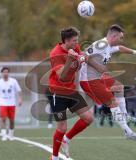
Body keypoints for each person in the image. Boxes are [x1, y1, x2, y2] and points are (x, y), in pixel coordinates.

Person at [79, 24, 136, 141]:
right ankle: (128, 132)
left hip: (98, 77)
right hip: (88, 80)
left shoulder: (109, 46)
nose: (121, 40)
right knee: (113, 103)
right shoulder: (101, 44)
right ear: (114, 36)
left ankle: (125, 115)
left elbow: (121, 48)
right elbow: (84, 54)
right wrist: (98, 67)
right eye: (120, 37)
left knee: (119, 86)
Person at [48, 27, 93, 160]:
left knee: (88, 118)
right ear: (66, 41)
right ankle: (54, 157)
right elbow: (62, 76)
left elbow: (79, 62)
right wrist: (69, 59)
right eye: (74, 40)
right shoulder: (55, 54)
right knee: (62, 127)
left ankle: (67, 139)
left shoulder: (76, 47)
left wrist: (83, 58)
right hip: (58, 92)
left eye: (77, 40)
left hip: (71, 90)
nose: (76, 43)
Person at [0, 67, 22, 141]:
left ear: (8, 73)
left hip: (12, 104)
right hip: (3, 103)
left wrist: (20, 99)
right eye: (4, 72)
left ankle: (11, 135)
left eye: (7, 72)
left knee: (12, 120)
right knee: (3, 119)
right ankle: (4, 135)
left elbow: (19, 90)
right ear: (2, 73)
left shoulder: (13, 81)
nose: (5, 73)